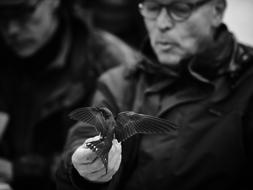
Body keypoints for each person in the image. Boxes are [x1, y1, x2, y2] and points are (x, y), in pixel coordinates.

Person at [56, 0, 253, 189]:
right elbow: (83, 138)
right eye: (152, 7)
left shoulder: (246, 81)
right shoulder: (119, 83)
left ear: (217, 11)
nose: (162, 24)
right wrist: (83, 171)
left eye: (180, 8)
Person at [0, 0, 137, 190]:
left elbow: (124, 163)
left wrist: (24, 170)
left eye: (23, 13)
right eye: (2, 17)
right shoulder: (5, 58)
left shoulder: (110, 64)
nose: (11, 29)